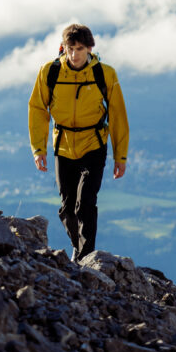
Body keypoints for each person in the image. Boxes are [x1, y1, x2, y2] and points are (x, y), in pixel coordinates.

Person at [27, 24, 130, 261]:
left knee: (86, 204)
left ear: (90, 49)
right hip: (63, 146)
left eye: (80, 49)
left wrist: (120, 156)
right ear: (63, 48)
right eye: (70, 49)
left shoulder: (104, 74)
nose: (74, 55)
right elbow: (38, 110)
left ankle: (86, 258)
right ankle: (78, 246)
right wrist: (38, 149)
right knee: (67, 208)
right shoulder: (50, 72)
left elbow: (117, 115)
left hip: (93, 144)